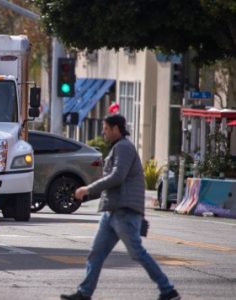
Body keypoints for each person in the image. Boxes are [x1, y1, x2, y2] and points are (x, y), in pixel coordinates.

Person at [61, 114, 180, 300]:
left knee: (137, 253)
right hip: (112, 212)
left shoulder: (124, 147)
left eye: (106, 129)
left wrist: (88, 189)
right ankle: (84, 293)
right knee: (96, 254)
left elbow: (118, 176)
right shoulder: (119, 147)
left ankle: (168, 290)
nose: (104, 132)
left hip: (124, 211)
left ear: (116, 129)